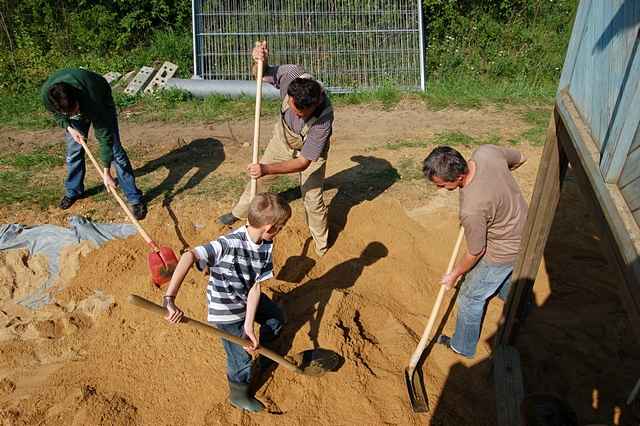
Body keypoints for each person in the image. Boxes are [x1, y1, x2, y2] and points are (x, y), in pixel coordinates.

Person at [164, 193, 291, 412]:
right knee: (240, 358)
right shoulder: (229, 243)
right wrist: (169, 299)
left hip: (246, 296)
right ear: (270, 227)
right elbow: (189, 256)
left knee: (275, 318)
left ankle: (266, 355)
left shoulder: (266, 244)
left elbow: (255, 286)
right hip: (226, 311)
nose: (280, 232)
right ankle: (238, 395)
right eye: (281, 227)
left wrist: (249, 325)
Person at [217, 41, 334, 257]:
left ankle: (321, 246)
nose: (295, 113)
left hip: (309, 153)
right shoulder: (291, 74)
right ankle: (239, 213)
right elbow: (261, 74)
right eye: (291, 105)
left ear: (315, 104)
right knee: (257, 180)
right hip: (282, 139)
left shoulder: (323, 119)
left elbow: (303, 163)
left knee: (312, 198)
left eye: (300, 113)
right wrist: (259, 60)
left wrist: (267, 168)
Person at [422, 145, 528, 358]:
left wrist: (454, 274)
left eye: (442, 184)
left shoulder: (472, 208)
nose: (439, 188)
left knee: (470, 297)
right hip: (526, 227)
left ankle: (461, 346)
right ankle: (521, 306)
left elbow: (476, 251)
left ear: (459, 177)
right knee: (504, 278)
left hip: (504, 249)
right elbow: (520, 158)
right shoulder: (486, 153)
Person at [41, 68, 146, 219]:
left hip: (101, 100)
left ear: (77, 99)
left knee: (116, 151)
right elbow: (57, 115)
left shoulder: (92, 97)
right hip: (73, 108)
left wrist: (106, 172)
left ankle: (134, 198)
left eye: (75, 111)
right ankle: (74, 191)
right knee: (74, 152)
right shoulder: (47, 96)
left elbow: (104, 137)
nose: (75, 115)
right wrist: (69, 127)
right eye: (70, 114)